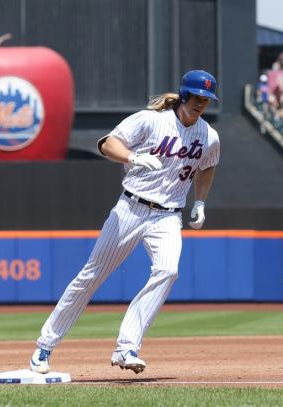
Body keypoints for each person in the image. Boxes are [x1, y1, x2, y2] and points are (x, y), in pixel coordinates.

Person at [29, 69, 220, 375]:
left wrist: (200, 201)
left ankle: (127, 347)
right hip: (131, 208)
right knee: (90, 277)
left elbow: (208, 165)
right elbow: (107, 143)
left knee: (168, 270)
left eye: (206, 99)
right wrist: (131, 158)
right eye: (197, 97)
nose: (201, 104)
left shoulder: (209, 135)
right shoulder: (151, 119)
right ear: (184, 94)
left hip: (168, 215)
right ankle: (44, 346)